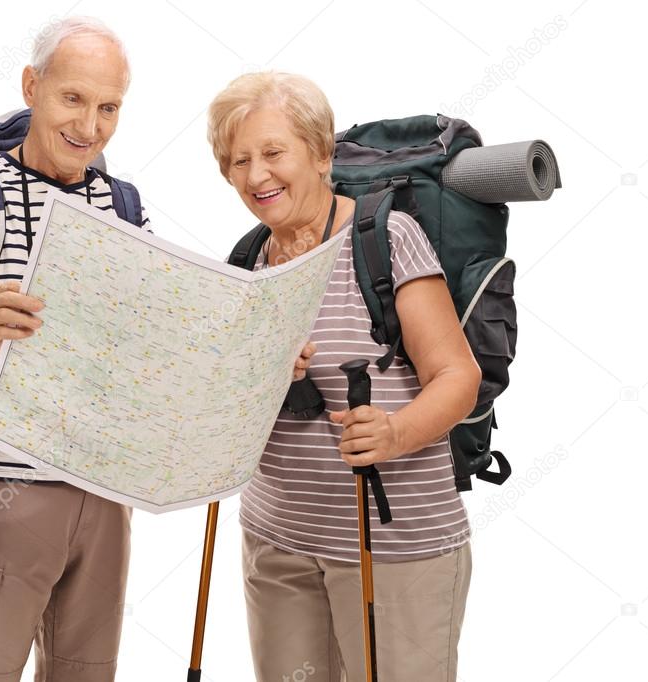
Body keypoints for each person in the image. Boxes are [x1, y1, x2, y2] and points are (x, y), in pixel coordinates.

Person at [207, 72, 481, 682]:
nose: (256, 177)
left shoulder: (387, 237)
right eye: (239, 160)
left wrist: (396, 433)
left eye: (274, 153)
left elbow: (457, 375)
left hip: (394, 549)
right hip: (275, 541)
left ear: (321, 153)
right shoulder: (246, 262)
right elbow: (228, 402)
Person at [0, 16, 150, 681]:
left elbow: (143, 350)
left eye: (109, 107)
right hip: (2, 492)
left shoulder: (124, 206)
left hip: (105, 495)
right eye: (73, 98)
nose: (91, 125)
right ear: (32, 86)